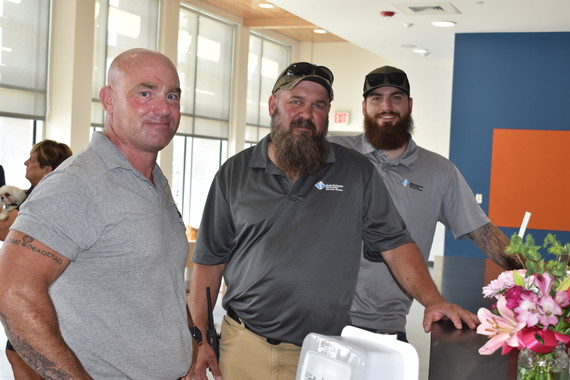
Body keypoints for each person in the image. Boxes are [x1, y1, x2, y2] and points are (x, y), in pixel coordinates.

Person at [189, 62, 479, 380]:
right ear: (273, 105)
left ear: (327, 113)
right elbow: (209, 263)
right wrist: (199, 340)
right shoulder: (235, 173)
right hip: (245, 345)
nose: (306, 114)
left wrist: (433, 300)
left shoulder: (356, 172)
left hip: (327, 350)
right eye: (296, 101)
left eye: (319, 105)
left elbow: (396, 245)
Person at [0, 48, 192, 379]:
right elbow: (12, 291)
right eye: (145, 93)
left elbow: (163, 283)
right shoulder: (77, 184)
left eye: (172, 95)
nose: (163, 108)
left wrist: (193, 342)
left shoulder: (154, 180)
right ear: (108, 99)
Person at [328, 65, 519, 342]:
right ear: (364, 106)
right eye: (376, 98)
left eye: (396, 97)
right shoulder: (335, 154)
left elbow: (483, 232)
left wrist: (534, 277)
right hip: (320, 316)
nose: (386, 106)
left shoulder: (439, 171)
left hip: (384, 326)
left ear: (410, 105)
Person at [0, 139, 73, 380]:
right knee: (19, 354)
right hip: (34, 292)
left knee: (30, 356)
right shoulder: (32, 196)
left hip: (45, 293)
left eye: (31, 161)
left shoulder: (47, 200)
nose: (25, 163)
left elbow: (5, 229)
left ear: (47, 170)